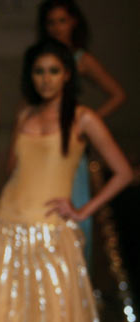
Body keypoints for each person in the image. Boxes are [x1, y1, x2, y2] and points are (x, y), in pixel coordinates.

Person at [0, 39, 132, 322]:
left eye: (53, 71)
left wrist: (84, 210)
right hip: (6, 226)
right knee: (3, 320)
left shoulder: (84, 118)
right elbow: (13, 169)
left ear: (67, 75)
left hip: (51, 233)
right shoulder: (25, 111)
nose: (46, 78)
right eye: (39, 71)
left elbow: (124, 173)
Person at [38, 0, 127, 265]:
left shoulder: (81, 59)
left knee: (71, 207)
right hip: (41, 143)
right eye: (51, 22)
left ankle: (72, 277)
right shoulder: (40, 56)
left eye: (61, 21)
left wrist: (88, 122)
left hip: (68, 145)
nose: (56, 28)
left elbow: (118, 94)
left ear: (73, 22)